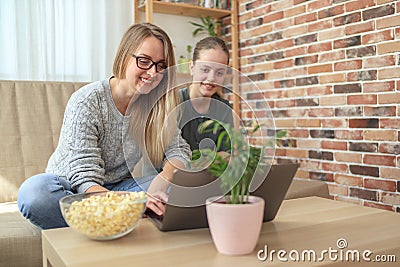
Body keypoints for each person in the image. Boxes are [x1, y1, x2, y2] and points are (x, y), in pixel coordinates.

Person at [17, 23, 191, 229]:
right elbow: (83, 177)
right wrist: (126, 202)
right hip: (71, 189)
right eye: (144, 61)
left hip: (118, 188)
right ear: (124, 56)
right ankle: (120, 219)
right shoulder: (88, 100)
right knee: (35, 195)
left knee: (178, 189)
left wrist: (164, 179)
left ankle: (105, 221)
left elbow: (178, 150)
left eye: (161, 66)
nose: (153, 73)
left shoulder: (156, 105)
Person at [178, 37, 234, 152]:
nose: (211, 78)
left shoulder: (224, 109)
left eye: (219, 72)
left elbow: (227, 155)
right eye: (205, 70)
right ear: (192, 68)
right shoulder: (172, 103)